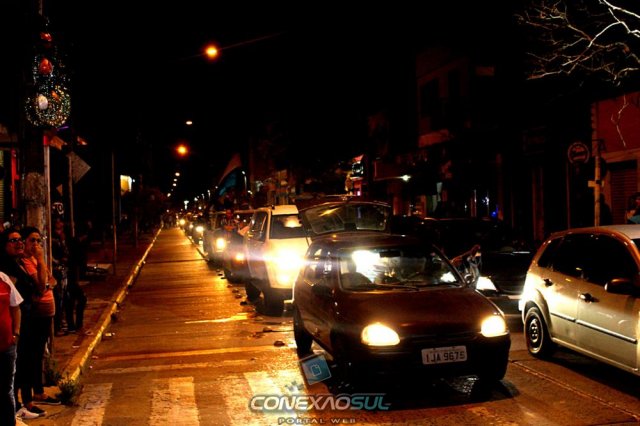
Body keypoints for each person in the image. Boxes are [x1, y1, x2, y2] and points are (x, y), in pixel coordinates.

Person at [0, 229, 45, 419]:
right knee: (14, 371)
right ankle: (18, 406)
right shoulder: (6, 269)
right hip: (12, 327)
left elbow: (40, 287)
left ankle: (24, 403)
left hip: (24, 321)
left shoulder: (20, 263)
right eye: (13, 240)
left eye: (20, 240)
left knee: (25, 362)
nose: (19, 243)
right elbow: (11, 300)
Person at [19, 227, 60, 408]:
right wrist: (42, 260)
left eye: (38, 240)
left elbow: (52, 280)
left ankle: (38, 390)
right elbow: (41, 285)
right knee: (31, 355)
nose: (36, 244)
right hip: (37, 313)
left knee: (38, 354)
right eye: (32, 240)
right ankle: (31, 395)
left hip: (46, 313)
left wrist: (46, 283)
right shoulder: (27, 262)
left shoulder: (35, 260)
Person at [0, 269, 22, 426]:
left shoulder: (3, 278)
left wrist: (16, 332)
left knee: (6, 389)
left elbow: (15, 307)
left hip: (7, 345)